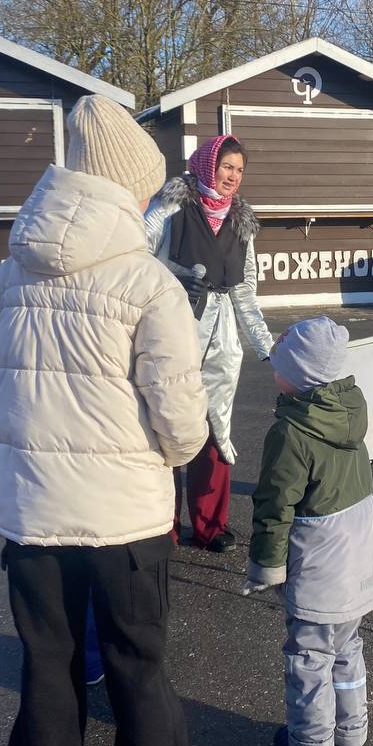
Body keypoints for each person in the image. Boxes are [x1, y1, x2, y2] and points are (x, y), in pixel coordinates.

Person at [0, 94, 208, 746]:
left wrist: (28, 443)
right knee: (138, 660)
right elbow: (180, 417)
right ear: (131, 189)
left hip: (33, 513)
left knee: (47, 657)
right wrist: (167, 458)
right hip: (126, 519)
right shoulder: (149, 282)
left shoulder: (14, 272)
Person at [242, 317, 373, 746]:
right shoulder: (350, 413)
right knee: (347, 648)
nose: (274, 372)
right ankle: (351, 738)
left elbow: (274, 504)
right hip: (354, 558)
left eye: (280, 366)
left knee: (308, 655)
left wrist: (265, 566)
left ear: (301, 377)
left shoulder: (291, 432)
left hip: (318, 564)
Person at [144, 134, 275, 552]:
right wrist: (174, 277)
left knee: (215, 429)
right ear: (207, 165)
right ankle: (160, 526)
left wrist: (268, 348)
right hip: (172, 333)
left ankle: (210, 526)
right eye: (226, 167)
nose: (233, 176)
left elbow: (246, 292)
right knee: (165, 428)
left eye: (239, 170)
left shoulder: (241, 222)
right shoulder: (170, 206)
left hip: (222, 341)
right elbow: (135, 258)